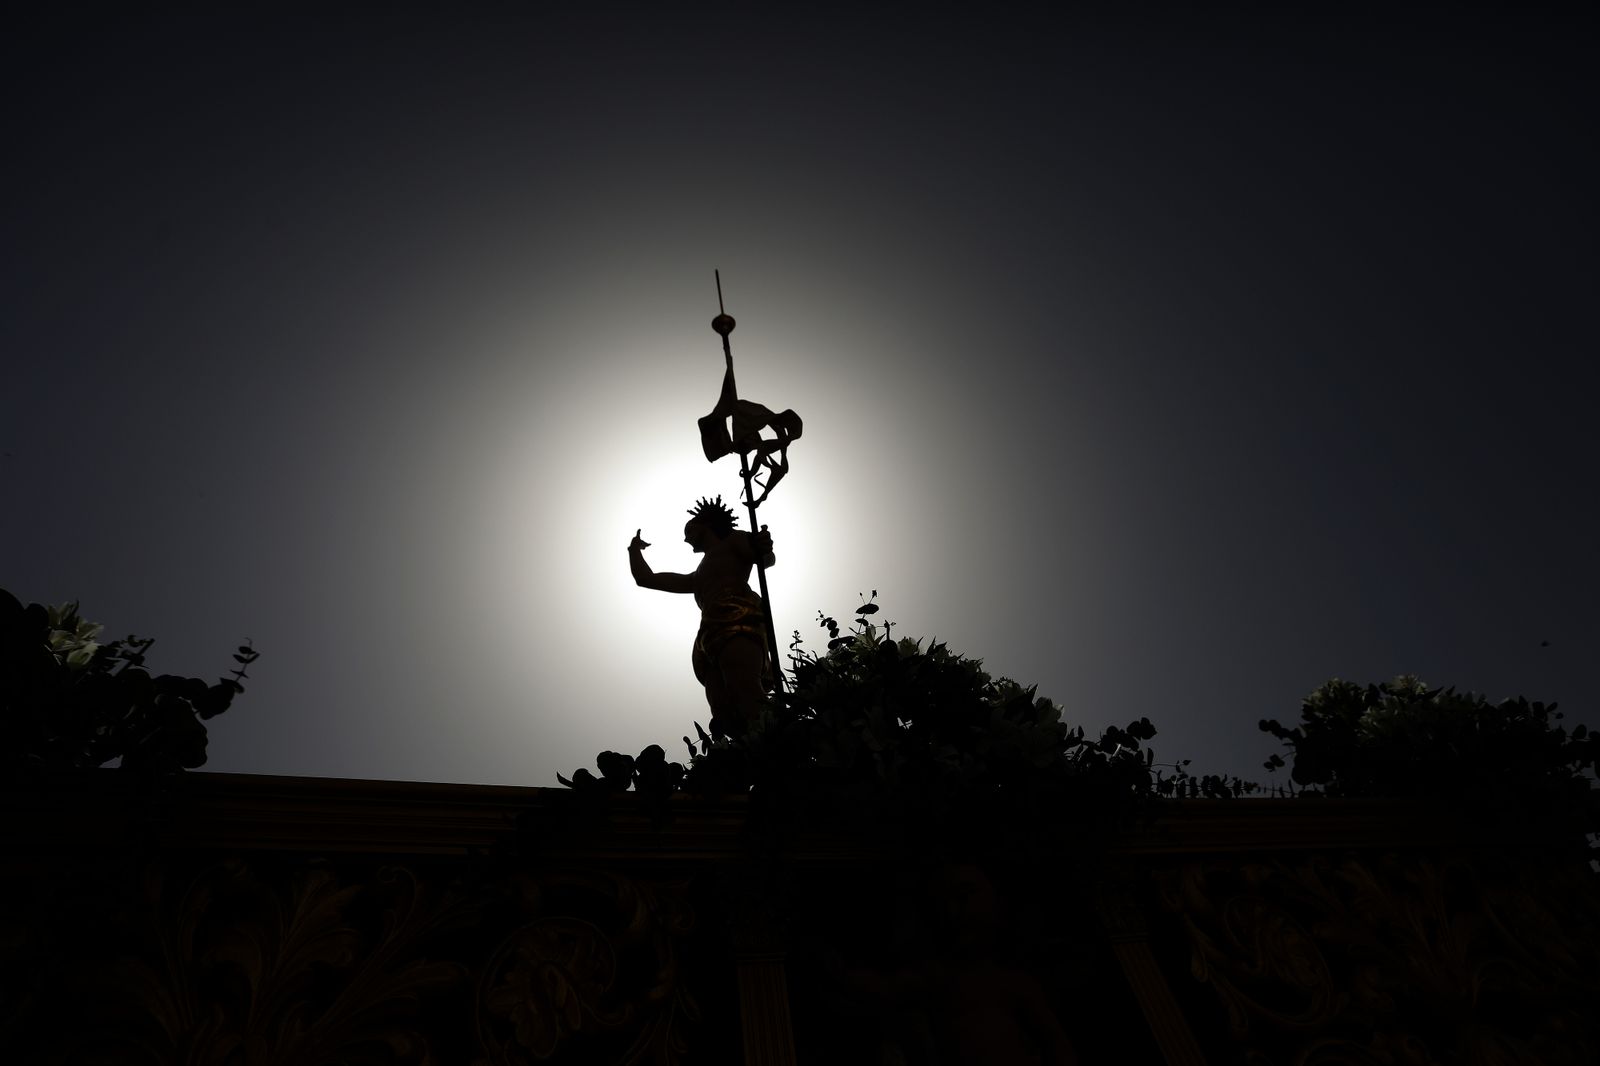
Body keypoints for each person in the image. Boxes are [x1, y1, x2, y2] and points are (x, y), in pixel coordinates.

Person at [628, 496, 774, 731]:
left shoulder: (734, 540)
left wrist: (763, 547)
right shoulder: (697, 577)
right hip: (710, 633)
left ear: (706, 524)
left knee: (744, 688)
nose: (686, 538)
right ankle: (745, 751)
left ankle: (777, 740)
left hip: (737, 617)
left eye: (689, 530)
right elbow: (646, 579)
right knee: (721, 706)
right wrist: (633, 549)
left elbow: (764, 559)